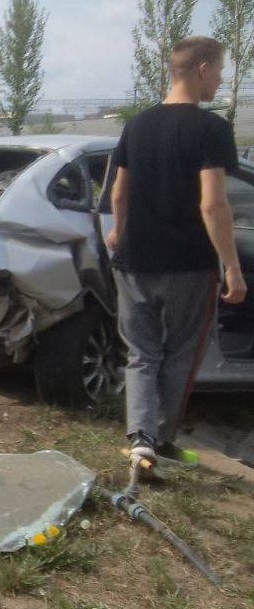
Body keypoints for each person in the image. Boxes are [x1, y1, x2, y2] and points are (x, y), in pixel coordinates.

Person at [106, 35, 244, 465]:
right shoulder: (212, 129)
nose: (219, 81)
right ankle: (161, 438)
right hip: (188, 264)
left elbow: (117, 193)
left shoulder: (138, 125)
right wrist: (232, 267)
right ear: (202, 70)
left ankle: (140, 440)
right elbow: (213, 204)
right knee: (183, 351)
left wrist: (119, 233)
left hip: (134, 261)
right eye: (219, 71)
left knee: (142, 352)